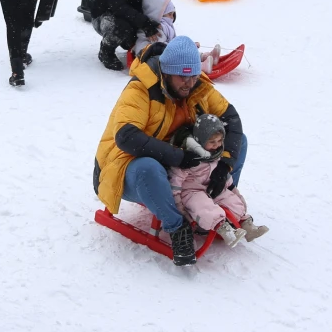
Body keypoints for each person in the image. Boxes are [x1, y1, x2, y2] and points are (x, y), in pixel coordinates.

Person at [93, 35, 252, 267]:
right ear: (167, 73)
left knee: (238, 142)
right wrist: (178, 156)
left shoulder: (198, 88)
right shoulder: (141, 90)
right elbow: (127, 138)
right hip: (124, 168)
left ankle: (215, 200)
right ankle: (178, 228)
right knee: (149, 167)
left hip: (177, 166)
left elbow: (231, 120)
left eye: (194, 75)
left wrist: (224, 166)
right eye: (182, 76)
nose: (189, 83)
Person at [168, 113, 268, 246]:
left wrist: (234, 191)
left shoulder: (216, 154)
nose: (217, 145)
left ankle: (247, 226)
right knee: (204, 207)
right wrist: (178, 204)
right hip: (191, 191)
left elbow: (223, 176)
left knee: (233, 201)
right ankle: (225, 230)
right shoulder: (189, 157)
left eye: (220, 141)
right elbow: (176, 179)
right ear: (201, 140)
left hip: (210, 187)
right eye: (212, 142)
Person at [132, 0, 221, 74]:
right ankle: (199, 67)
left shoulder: (166, 26)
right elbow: (162, 47)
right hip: (149, 59)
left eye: (172, 14)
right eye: (169, 14)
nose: (171, 17)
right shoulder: (154, 29)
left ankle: (204, 56)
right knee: (175, 58)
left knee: (179, 52)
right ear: (159, 14)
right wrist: (181, 48)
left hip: (162, 53)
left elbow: (173, 42)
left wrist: (188, 45)